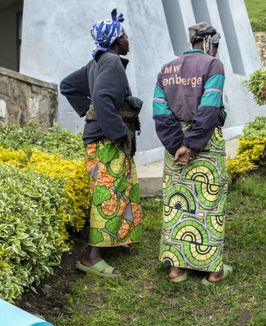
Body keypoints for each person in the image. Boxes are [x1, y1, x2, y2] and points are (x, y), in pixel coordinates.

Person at [60, 8, 143, 278]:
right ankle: (92, 258)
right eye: (125, 36)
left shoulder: (95, 63)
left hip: (100, 137)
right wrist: (118, 133)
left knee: (122, 189)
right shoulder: (111, 62)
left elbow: (68, 86)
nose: (128, 40)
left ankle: (118, 241)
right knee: (108, 195)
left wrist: (88, 111)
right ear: (116, 40)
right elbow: (104, 99)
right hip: (106, 141)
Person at [153, 22, 231, 285]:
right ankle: (212, 271)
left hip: (174, 147)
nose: (217, 51)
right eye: (216, 46)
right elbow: (209, 107)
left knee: (177, 203)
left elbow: (160, 113)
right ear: (208, 42)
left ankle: (176, 268)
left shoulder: (166, 69)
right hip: (206, 141)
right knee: (209, 202)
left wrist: (177, 146)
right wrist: (193, 145)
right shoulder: (213, 66)